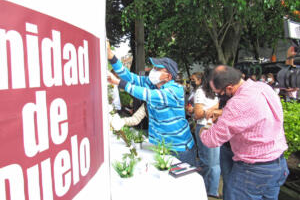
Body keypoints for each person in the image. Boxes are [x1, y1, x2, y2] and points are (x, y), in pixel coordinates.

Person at [199, 65, 289, 200]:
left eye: (219, 93)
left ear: (229, 87)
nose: (220, 96)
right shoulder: (263, 87)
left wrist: (203, 128)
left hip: (252, 171)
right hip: (278, 164)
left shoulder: (238, 103)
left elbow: (211, 140)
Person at [107, 42, 196, 166]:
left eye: (158, 69)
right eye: (154, 68)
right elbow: (129, 77)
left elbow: (146, 94)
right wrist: (110, 55)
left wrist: (118, 82)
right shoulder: (152, 84)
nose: (153, 71)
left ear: (168, 76)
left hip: (179, 149)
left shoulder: (175, 90)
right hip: (161, 147)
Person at [193, 69, 221, 199]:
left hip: (217, 127)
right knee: (208, 162)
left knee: (215, 163)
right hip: (205, 127)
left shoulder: (219, 92)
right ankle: (201, 187)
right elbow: (198, 114)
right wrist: (214, 109)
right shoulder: (200, 91)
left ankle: (212, 190)